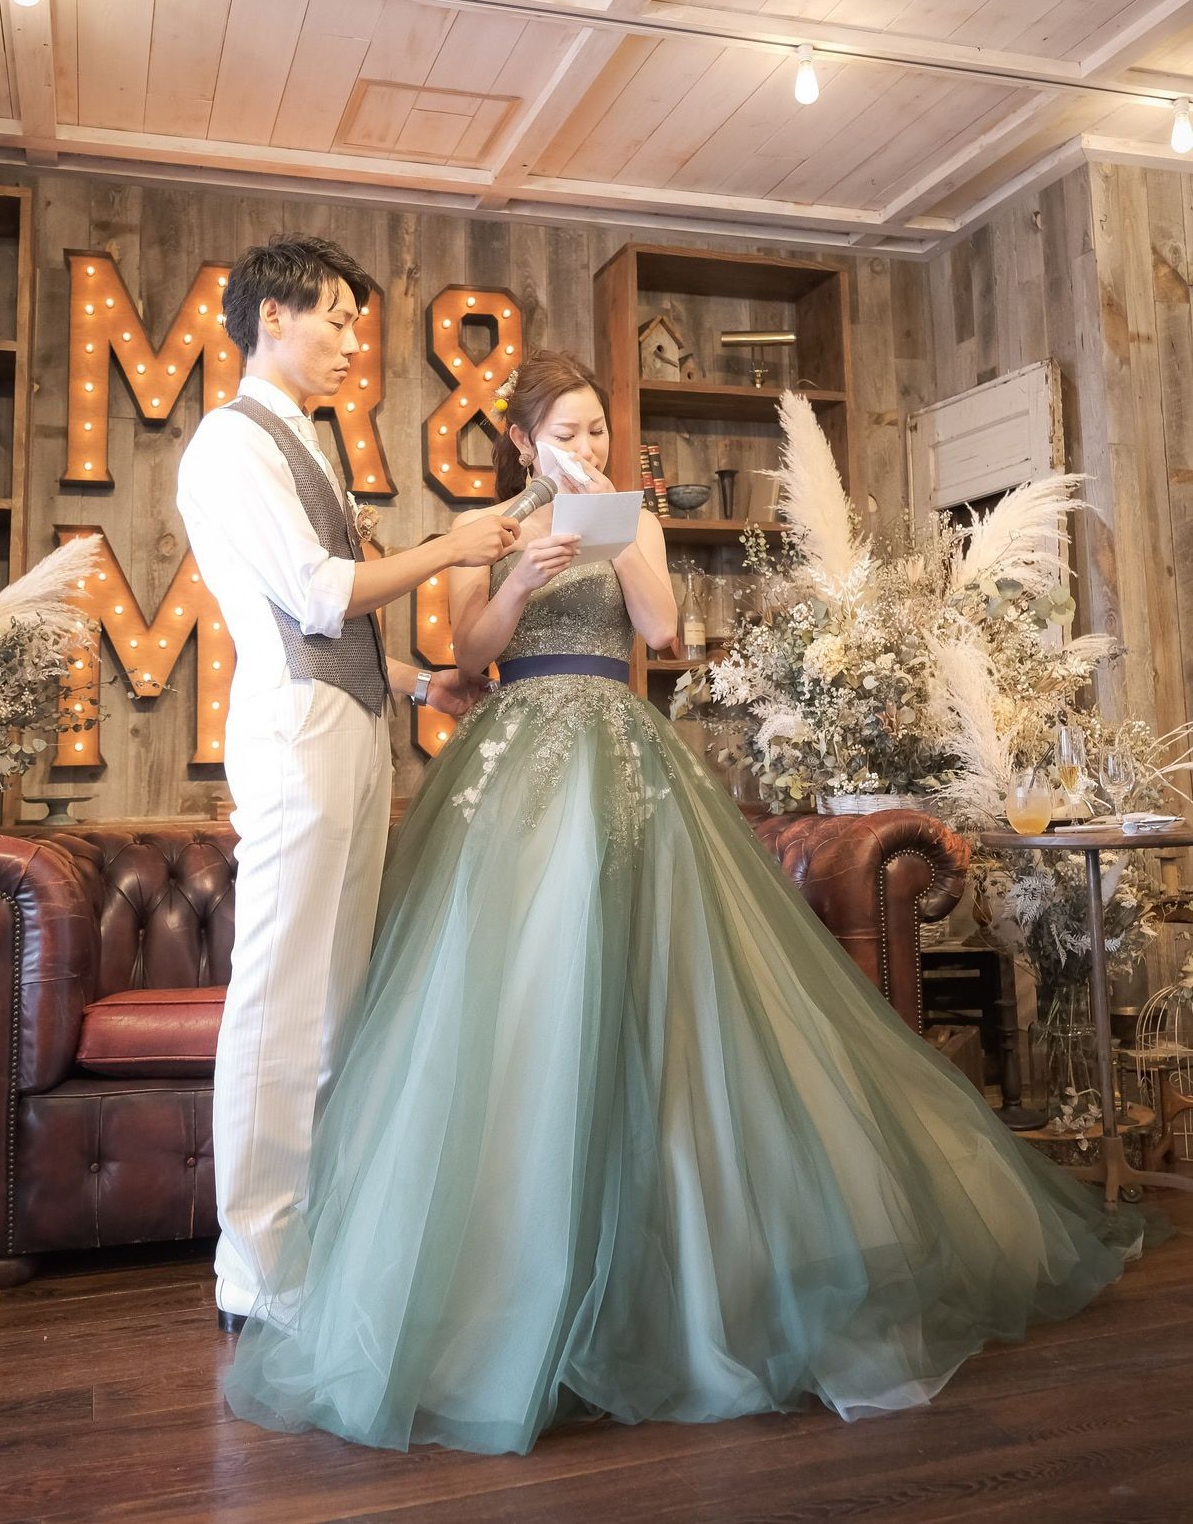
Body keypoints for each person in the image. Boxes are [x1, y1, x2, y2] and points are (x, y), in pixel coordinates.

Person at [224, 348, 1154, 1455]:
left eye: (597, 431)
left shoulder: (634, 519)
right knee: (516, 996)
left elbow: (661, 631)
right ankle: (499, 1276)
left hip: (618, 752)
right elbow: (467, 650)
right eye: (566, 433)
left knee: (655, 993)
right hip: (513, 761)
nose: (588, 448)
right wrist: (519, 574)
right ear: (521, 442)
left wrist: (614, 533)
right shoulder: (487, 529)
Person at [176, 236, 518, 1334]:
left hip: (355, 728)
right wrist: (451, 545)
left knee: (337, 1002)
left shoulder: (306, 442)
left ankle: (315, 1247)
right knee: (280, 1001)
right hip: (298, 736)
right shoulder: (233, 442)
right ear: (270, 316)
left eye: (352, 323)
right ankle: (255, 1270)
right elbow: (319, 596)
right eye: (332, 317)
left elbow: (338, 622)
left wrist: (420, 684)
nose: (348, 341)